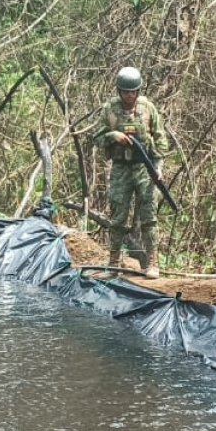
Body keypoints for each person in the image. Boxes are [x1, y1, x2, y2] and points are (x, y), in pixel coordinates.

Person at [94, 66, 168, 279]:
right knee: (118, 216)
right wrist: (113, 136)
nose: (130, 96)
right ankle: (113, 263)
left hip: (145, 168)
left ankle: (152, 263)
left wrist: (158, 166)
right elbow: (96, 138)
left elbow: (161, 140)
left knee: (149, 216)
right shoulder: (110, 109)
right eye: (126, 92)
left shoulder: (147, 108)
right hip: (121, 168)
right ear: (119, 91)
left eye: (133, 91)